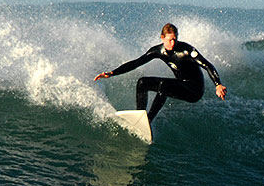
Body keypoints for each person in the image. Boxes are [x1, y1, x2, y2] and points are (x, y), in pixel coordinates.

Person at [94, 23, 227, 123]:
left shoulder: (186, 50)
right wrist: (112, 73)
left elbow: (207, 65)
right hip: (180, 85)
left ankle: (149, 120)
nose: (173, 42)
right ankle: (140, 116)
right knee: (142, 82)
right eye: (170, 39)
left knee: (164, 85)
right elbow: (136, 63)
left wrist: (218, 84)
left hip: (194, 90)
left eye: (175, 39)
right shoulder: (158, 51)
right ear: (162, 38)